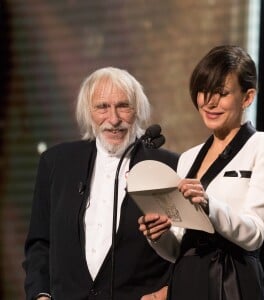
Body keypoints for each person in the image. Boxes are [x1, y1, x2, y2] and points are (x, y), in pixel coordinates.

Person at [138, 45, 264, 300]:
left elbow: (254, 233)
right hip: (187, 277)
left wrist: (209, 205)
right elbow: (178, 247)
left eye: (221, 93)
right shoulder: (188, 157)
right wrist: (160, 235)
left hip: (232, 279)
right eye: (203, 91)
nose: (209, 103)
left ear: (248, 97)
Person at [22, 67, 179, 300]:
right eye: (102, 107)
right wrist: (40, 295)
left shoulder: (170, 166)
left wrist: (167, 293)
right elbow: (39, 244)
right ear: (88, 112)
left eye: (123, 106)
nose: (113, 119)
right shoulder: (56, 163)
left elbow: (186, 249)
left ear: (138, 110)